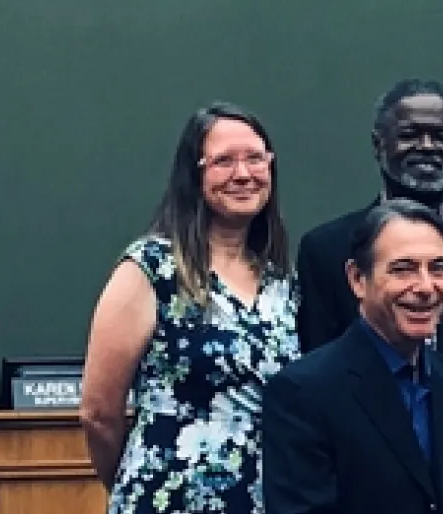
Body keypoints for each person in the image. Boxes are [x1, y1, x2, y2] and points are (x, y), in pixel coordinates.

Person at [78, 102, 300, 514]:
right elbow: (98, 413)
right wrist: (138, 481)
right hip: (169, 498)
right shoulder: (152, 269)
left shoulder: (282, 283)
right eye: (223, 161)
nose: (243, 174)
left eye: (255, 158)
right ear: (193, 176)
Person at [297, 79, 443, 393]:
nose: (427, 146)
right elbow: (317, 371)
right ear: (378, 144)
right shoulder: (326, 250)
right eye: (410, 135)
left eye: (441, 136)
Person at [262, 200, 443, 514]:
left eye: (438, 268)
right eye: (403, 269)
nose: (426, 287)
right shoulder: (303, 394)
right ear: (358, 279)